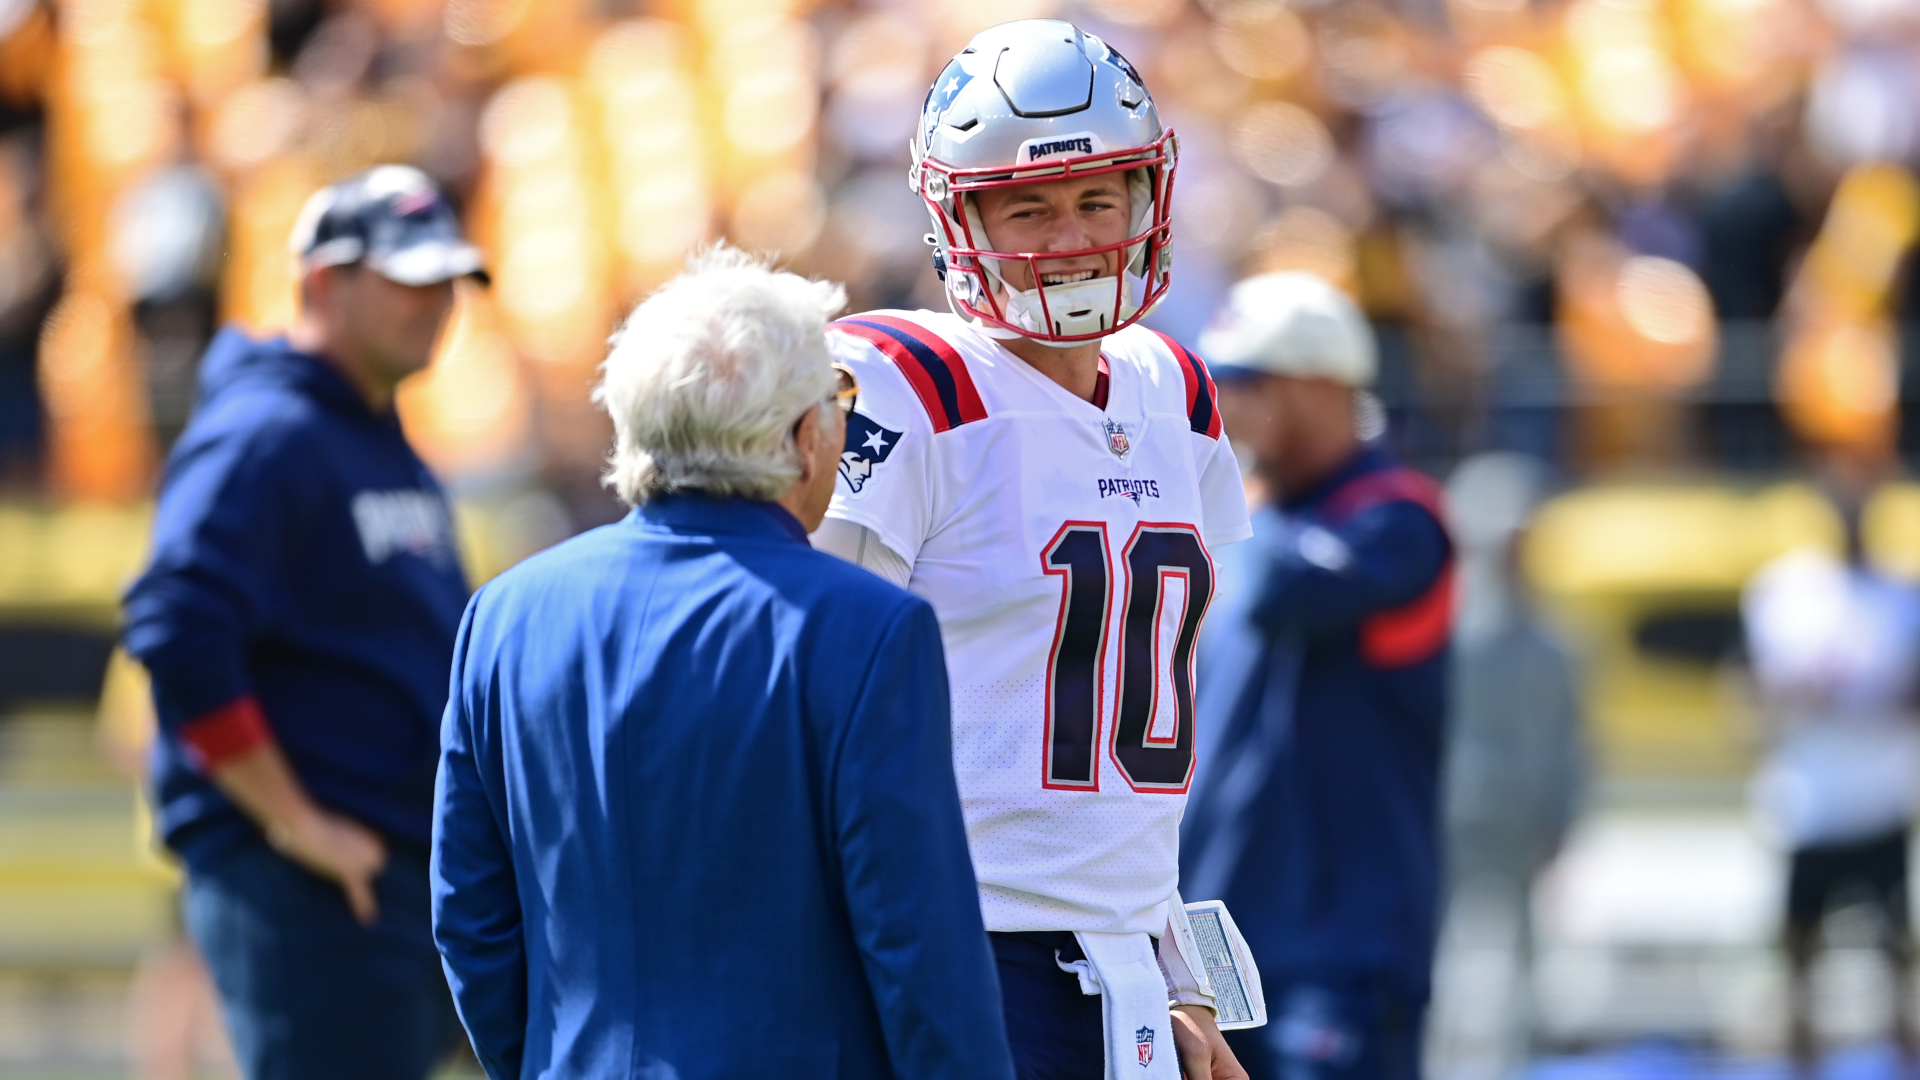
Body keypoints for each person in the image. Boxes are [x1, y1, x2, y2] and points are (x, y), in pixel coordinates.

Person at [430, 248, 1016, 1080]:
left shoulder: (505, 614)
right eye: (837, 401)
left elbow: (471, 920)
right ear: (801, 437)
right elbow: (919, 943)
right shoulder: (869, 628)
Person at [810, 20, 1253, 1080]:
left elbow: (1147, 725)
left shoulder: (1176, 391)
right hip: (956, 947)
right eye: (1031, 206)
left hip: (1128, 969)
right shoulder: (905, 384)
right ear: (958, 216)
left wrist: (1176, 964)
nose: (1073, 235)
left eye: (1099, 198)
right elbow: (810, 707)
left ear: (1147, 199)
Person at [120, 164, 480, 1080]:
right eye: (410, 279)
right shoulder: (267, 431)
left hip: (381, 876)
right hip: (311, 882)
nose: (436, 303)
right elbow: (175, 622)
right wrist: (296, 824)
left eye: (447, 281)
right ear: (326, 281)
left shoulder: (375, 433)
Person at [1179, 271, 1452, 1080]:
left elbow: (1284, 593)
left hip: (1345, 945)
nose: (1228, 405)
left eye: (1250, 381)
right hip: (1222, 928)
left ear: (1324, 385)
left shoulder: (1398, 513)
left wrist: (1240, 491)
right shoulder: (1252, 521)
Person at [1744, 455, 1920, 1072]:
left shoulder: (1902, 595)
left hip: (1880, 801)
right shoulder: (1786, 592)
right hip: (1810, 805)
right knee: (1799, 964)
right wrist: (1797, 695)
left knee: (1897, 962)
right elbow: (1749, 695)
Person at [1428, 452, 1584, 1080]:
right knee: (1438, 943)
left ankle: (1517, 1060)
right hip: (1456, 809)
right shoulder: (1447, 635)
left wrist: (1565, 813)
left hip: (1520, 812)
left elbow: (1568, 737)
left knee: (1523, 951)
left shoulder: (1550, 641)